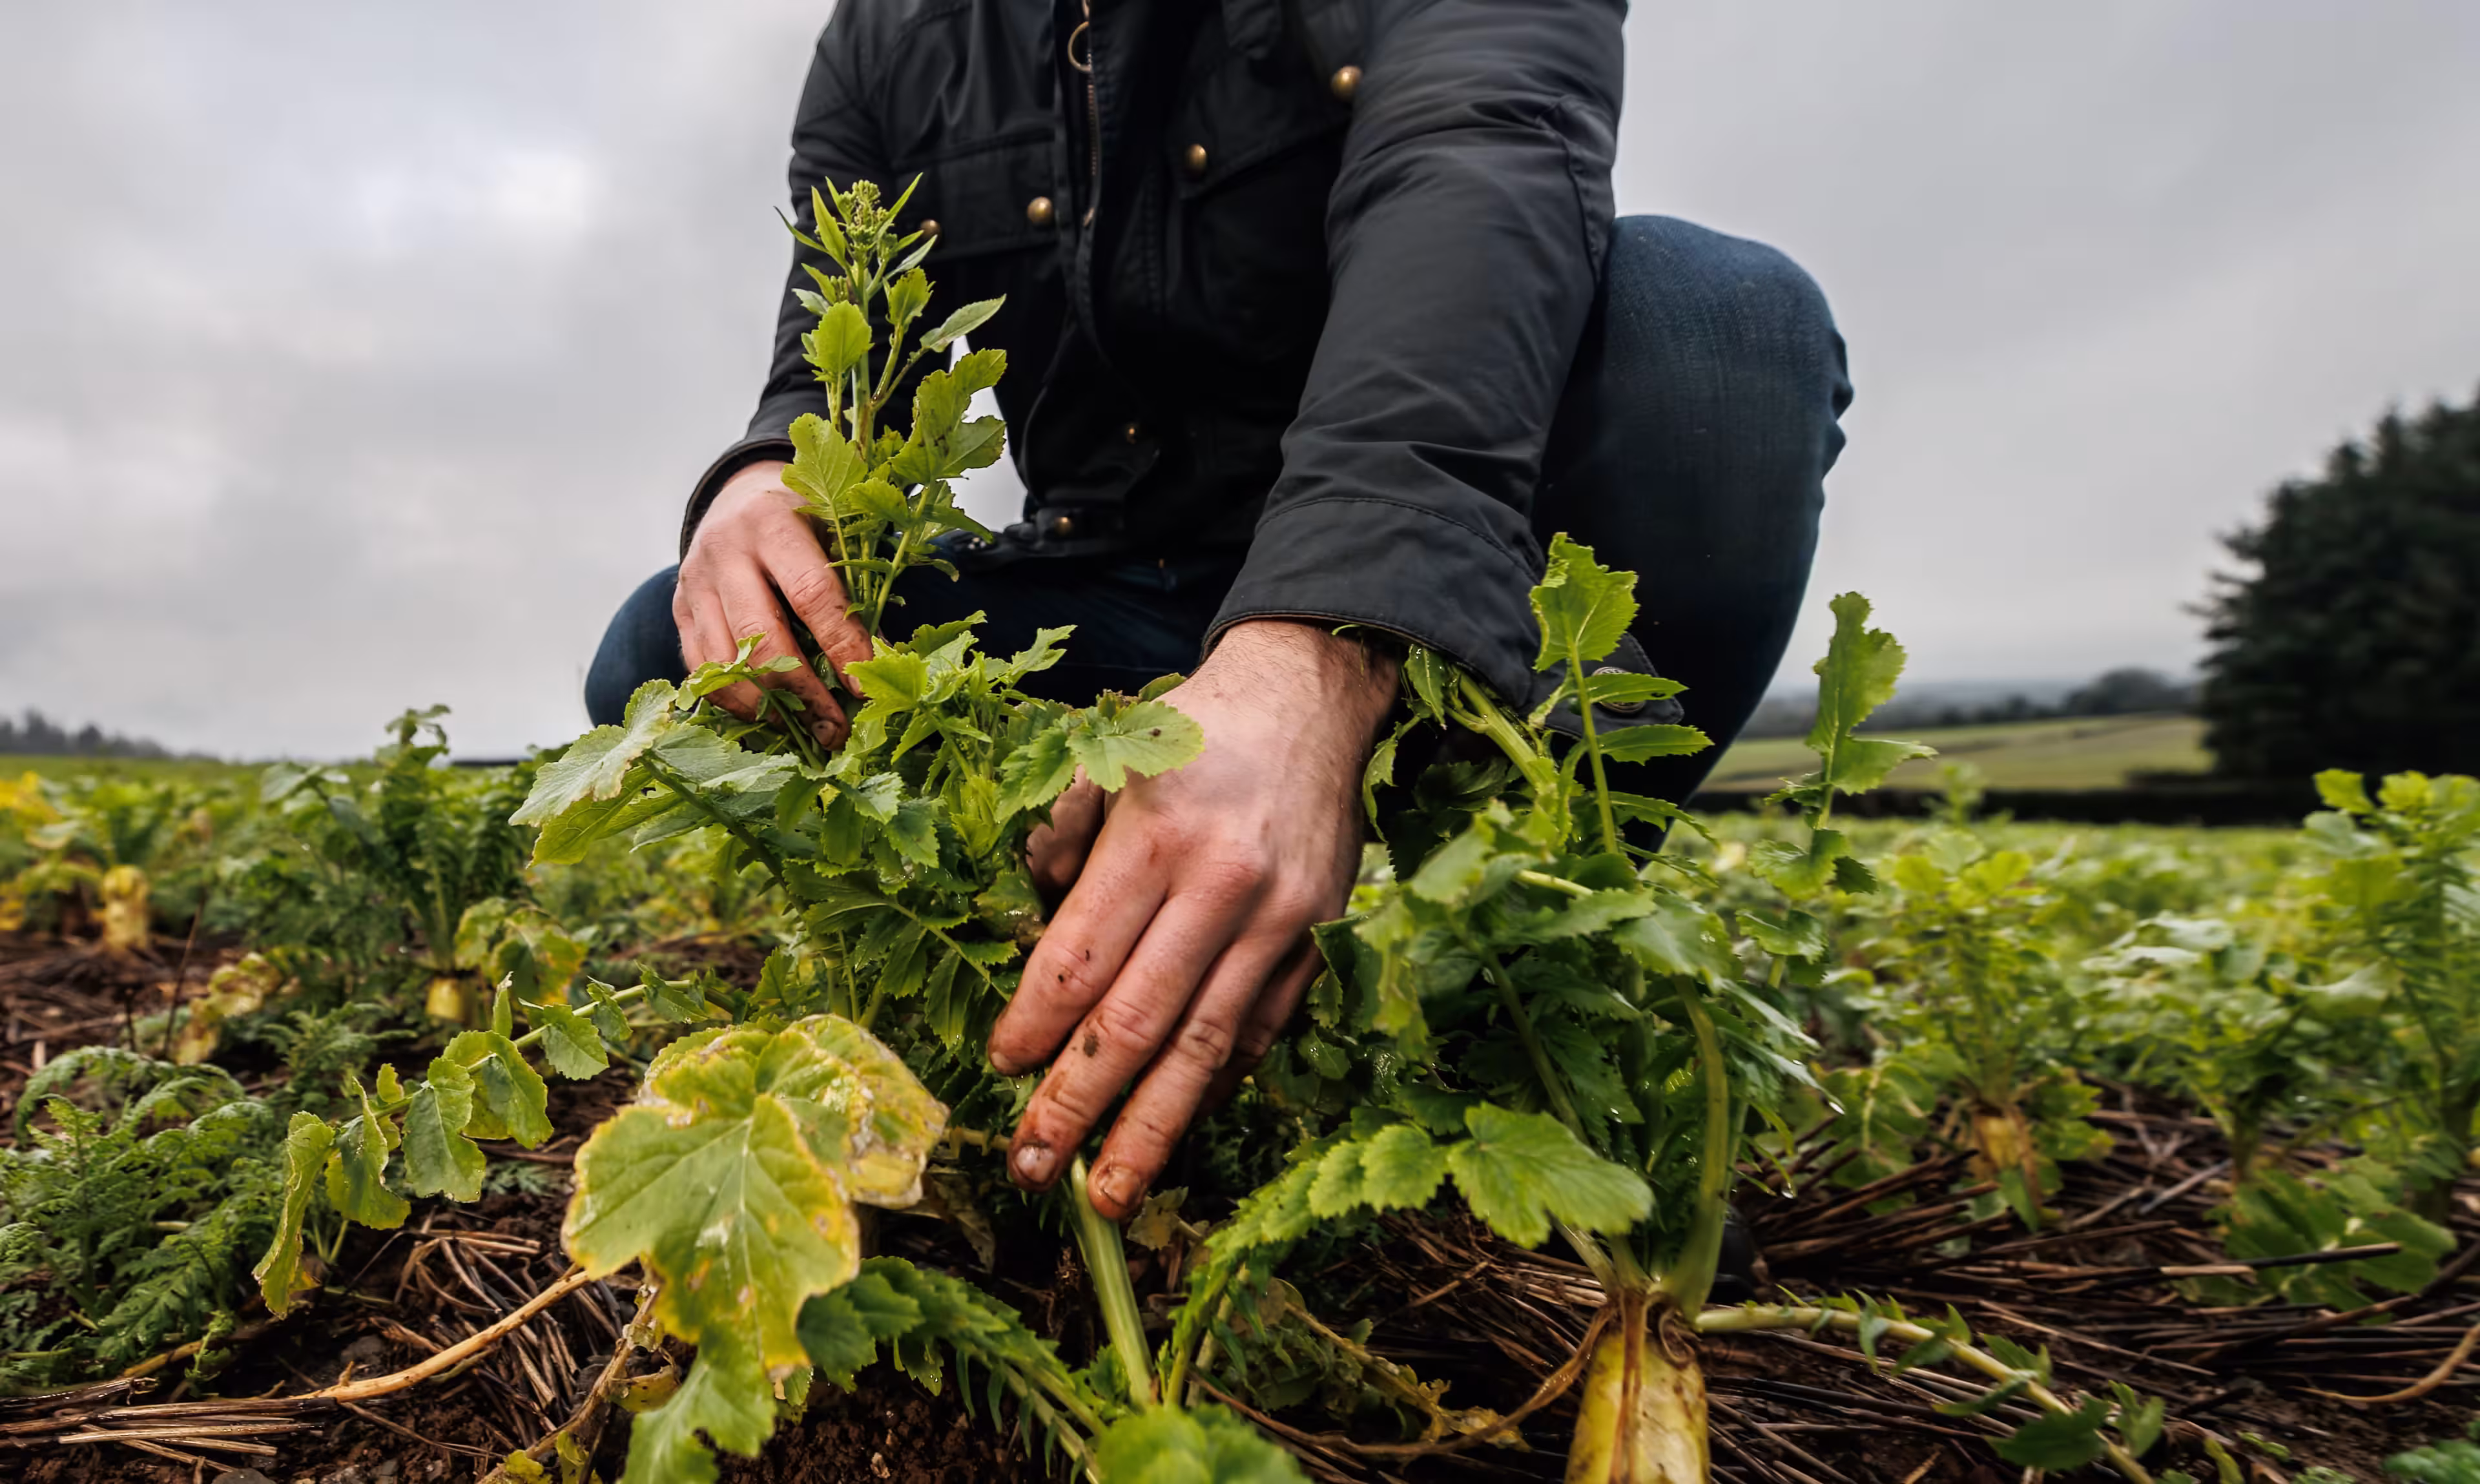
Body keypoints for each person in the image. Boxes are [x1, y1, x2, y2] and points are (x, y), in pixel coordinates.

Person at [586, 0, 1850, 1224]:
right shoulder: (886, 34)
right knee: (675, 648)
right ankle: (1028, 997)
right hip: (1110, 593)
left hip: (1425, 583)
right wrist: (759, 473)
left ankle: (1534, 981)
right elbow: (827, 356)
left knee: (1722, 331)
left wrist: (1326, 641)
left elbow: (1478, 156)